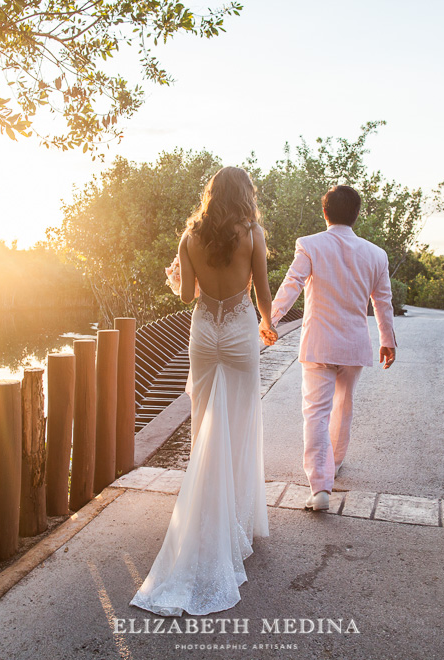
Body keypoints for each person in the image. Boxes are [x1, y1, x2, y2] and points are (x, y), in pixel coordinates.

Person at [131, 166, 276, 616]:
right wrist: (268, 325)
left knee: (204, 423)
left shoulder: (189, 236)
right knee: (239, 421)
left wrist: (176, 277)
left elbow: (186, 295)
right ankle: (235, 518)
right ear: (244, 194)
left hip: (203, 334)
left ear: (210, 194)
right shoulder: (251, 233)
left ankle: (205, 510)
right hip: (237, 333)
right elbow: (263, 292)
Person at [269, 185, 397, 511]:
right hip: (354, 346)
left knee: (315, 413)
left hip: (319, 345)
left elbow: (292, 284)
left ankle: (320, 487)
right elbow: (382, 301)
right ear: (357, 215)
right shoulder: (376, 254)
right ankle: (334, 465)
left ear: (324, 212)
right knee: (343, 407)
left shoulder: (310, 245)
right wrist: (387, 340)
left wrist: (269, 320)